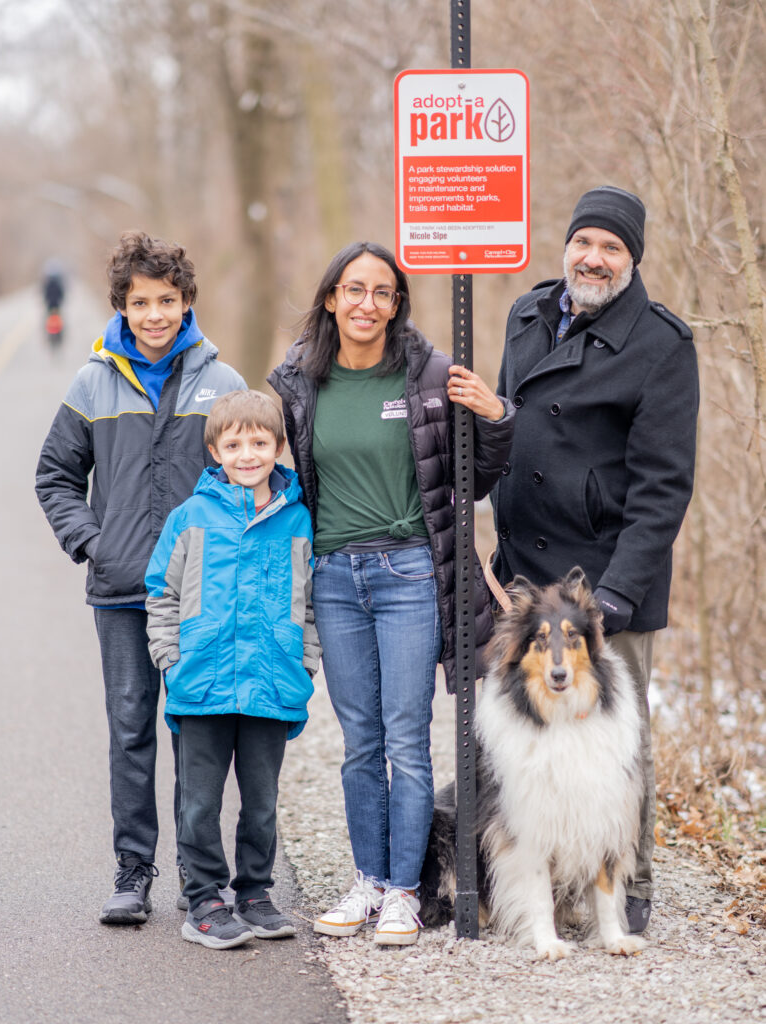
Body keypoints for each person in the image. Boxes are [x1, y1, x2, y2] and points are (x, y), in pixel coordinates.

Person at [269, 241, 514, 946]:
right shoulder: (297, 380)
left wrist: (495, 417)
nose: (366, 303)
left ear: (397, 304)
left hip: (409, 575)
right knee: (358, 743)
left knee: (407, 741)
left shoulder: (430, 375)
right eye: (353, 289)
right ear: (330, 298)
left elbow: (475, 478)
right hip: (335, 578)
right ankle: (369, 881)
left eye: (382, 292)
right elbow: (263, 457)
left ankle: (406, 893)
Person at [490, 185, 699, 935]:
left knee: (617, 747)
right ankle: (543, 873)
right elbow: (511, 426)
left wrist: (615, 594)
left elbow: (663, 489)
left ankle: (626, 886)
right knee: (530, 745)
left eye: (612, 247)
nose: (595, 257)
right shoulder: (528, 314)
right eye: (585, 241)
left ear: (632, 259)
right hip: (524, 578)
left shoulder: (662, 345)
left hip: (609, 583)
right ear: (567, 246)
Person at [35, 231, 246, 924]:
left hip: (201, 597)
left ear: (187, 301)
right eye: (139, 302)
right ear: (121, 307)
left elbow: (253, 478)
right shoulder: (92, 382)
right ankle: (132, 872)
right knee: (130, 729)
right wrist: (93, 543)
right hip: (122, 592)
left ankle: (198, 873)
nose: (154, 315)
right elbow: (55, 476)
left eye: (166, 300)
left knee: (195, 730)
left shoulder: (224, 384)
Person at [144, 390, 320, 949]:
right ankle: (204, 900)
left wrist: (305, 661)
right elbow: (162, 593)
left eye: (260, 442)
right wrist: (171, 658)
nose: (248, 454)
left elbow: (311, 601)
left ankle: (254, 893)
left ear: (278, 447)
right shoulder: (190, 517)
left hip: (272, 680)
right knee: (199, 801)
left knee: (262, 801)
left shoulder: (297, 519)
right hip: (202, 681)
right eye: (234, 443)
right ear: (215, 450)